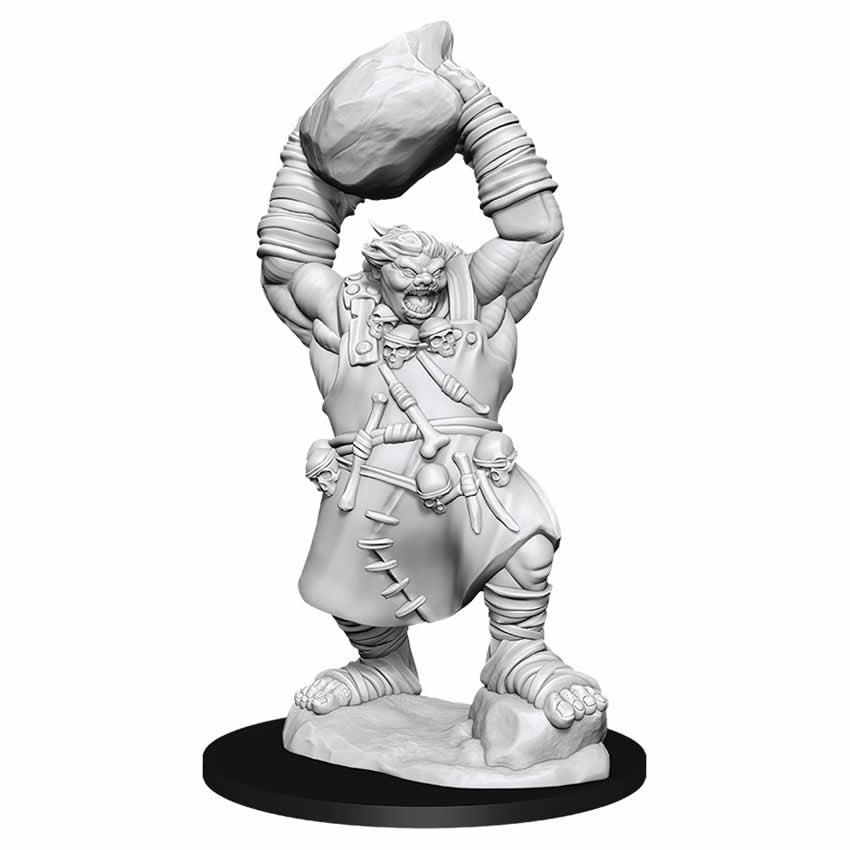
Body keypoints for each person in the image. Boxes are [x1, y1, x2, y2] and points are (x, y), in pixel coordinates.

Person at [257, 59, 607, 730]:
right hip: (371, 488)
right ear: (376, 278)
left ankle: (519, 653)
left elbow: (536, 231)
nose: (422, 287)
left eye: (431, 276)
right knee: (349, 581)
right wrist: (307, 157)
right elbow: (286, 266)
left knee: (528, 545)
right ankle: (383, 663)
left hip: (474, 481)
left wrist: (480, 114)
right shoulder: (346, 317)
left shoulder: (473, 298)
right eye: (406, 278)